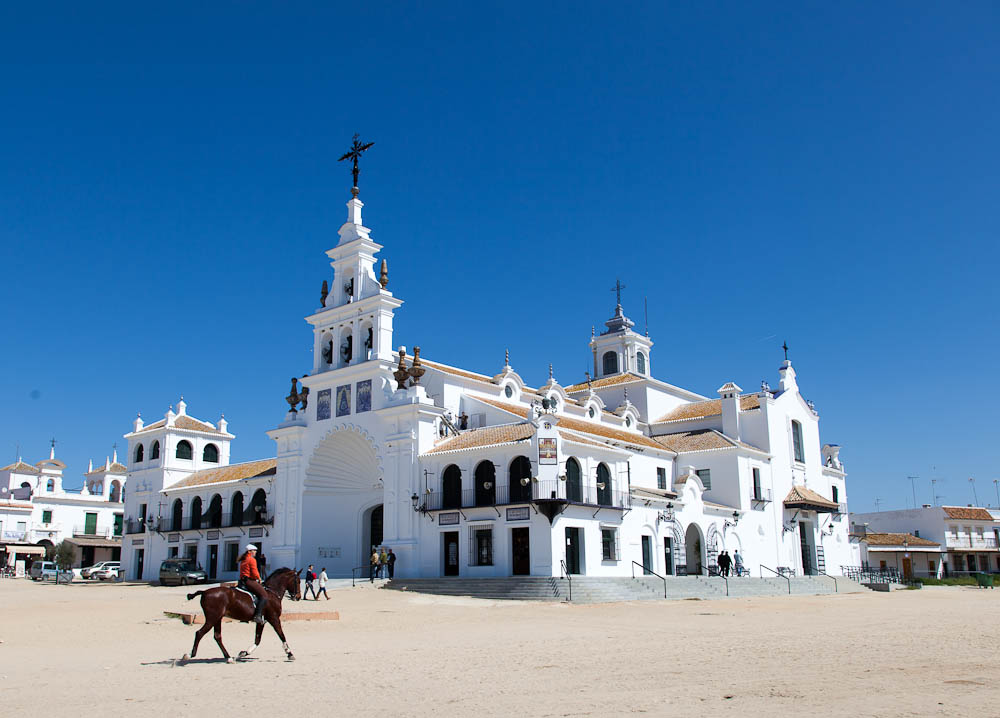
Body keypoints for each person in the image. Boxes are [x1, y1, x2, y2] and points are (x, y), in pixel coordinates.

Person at [238, 544, 267, 624]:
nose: (255, 552)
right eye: (254, 550)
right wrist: (259, 578)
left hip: (242, 580)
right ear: (249, 551)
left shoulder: (244, 559)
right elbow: (254, 572)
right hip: (249, 581)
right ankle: (257, 616)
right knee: (264, 596)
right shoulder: (251, 559)